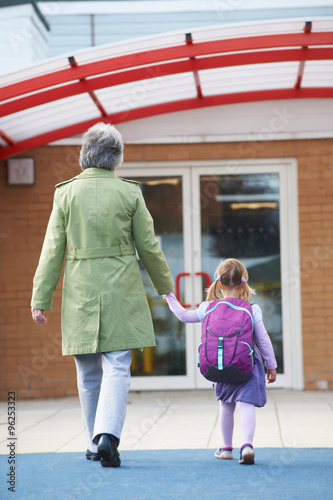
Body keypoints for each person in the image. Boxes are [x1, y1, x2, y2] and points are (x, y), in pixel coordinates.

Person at [31, 122, 173, 468]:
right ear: (117, 158)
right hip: (120, 290)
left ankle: (95, 442)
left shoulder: (65, 193)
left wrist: (40, 297)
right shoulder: (129, 193)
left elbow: (52, 249)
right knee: (117, 366)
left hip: (80, 292)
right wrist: (167, 289)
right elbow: (149, 248)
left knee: (88, 372)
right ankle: (107, 436)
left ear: (84, 155)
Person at [163, 258, 277, 465]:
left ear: (218, 283)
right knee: (246, 403)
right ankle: (247, 446)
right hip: (247, 367)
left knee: (225, 405)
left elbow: (183, 315)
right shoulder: (252, 309)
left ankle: (226, 449)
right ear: (244, 284)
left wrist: (170, 296)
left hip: (219, 365)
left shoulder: (208, 307)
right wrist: (272, 365)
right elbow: (263, 339)